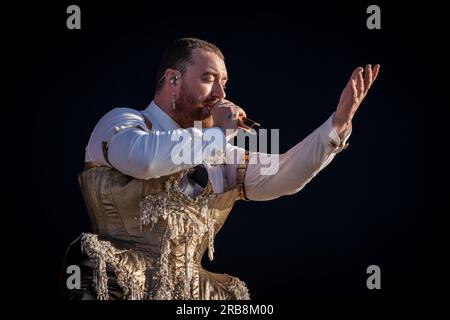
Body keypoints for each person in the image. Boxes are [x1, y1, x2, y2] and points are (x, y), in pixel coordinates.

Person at [61, 37, 380, 300]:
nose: (221, 95)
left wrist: (336, 127)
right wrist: (219, 133)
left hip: (191, 294)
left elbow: (281, 173)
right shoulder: (123, 121)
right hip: (117, 281)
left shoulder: (218, 150)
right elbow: (145, 161)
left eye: (224, 83)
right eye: (208, 79)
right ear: (173, 79)